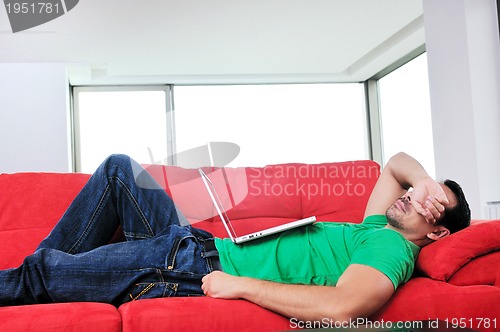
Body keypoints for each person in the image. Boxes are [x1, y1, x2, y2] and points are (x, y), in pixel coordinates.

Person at [0, 152, 470, 323]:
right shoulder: (378, 227)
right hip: (195, 242)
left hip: (193, 266)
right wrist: (428, 182)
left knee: (43, 272)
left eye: (430, 204)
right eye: (417, 193)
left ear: (438, 232)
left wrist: (240, 284)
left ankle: (38, 277)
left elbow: (342, 307)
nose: (413, 196)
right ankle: (43, 277)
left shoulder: (393, 249)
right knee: (120, 170)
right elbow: (395, 164)